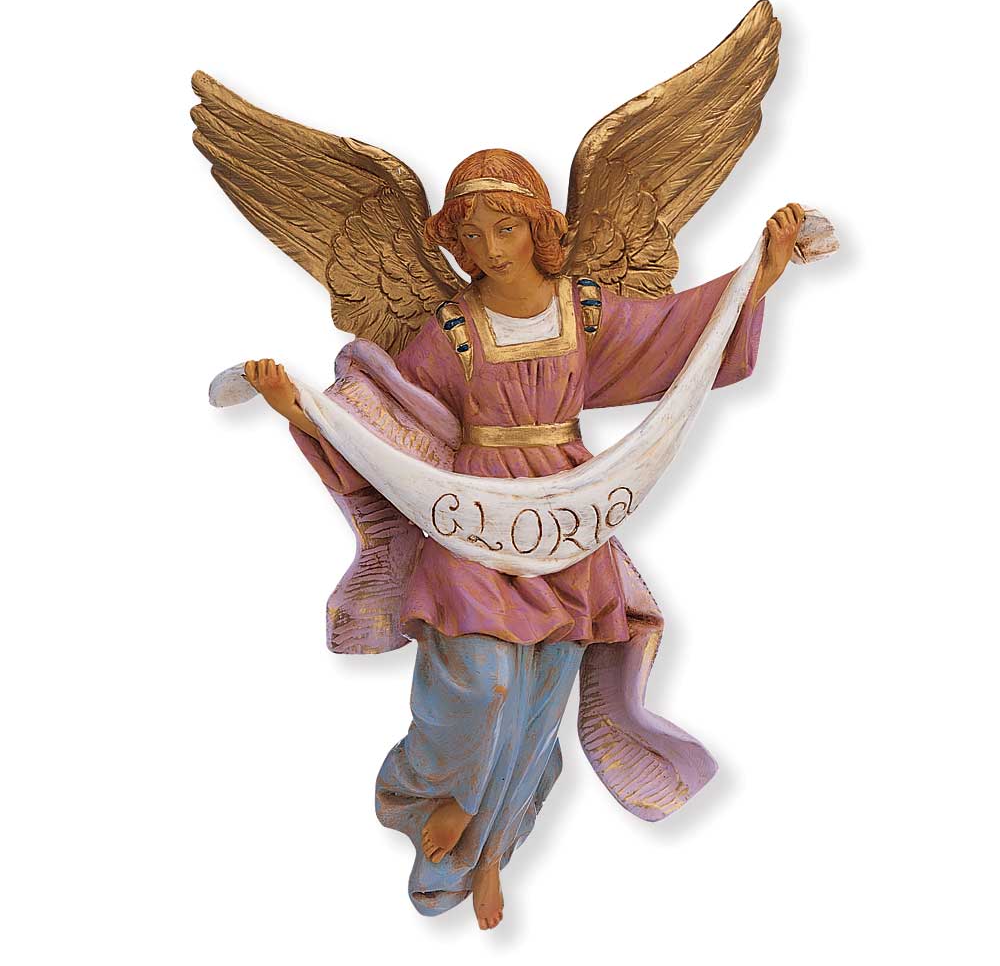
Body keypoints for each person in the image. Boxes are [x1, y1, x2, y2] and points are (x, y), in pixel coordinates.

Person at [243, 149, 804, 929]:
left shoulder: (586, 312)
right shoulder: (451, 329)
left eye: (505, 229)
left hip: (569, 515)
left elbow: (679, 332)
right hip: (470, 515)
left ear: (539, 228)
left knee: (539, 698)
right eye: (471, 237)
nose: (490, 250)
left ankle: (491, 854)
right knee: (483, 682)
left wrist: (760, 275)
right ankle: (437, 795)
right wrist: (300, 407)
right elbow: (384, 417)